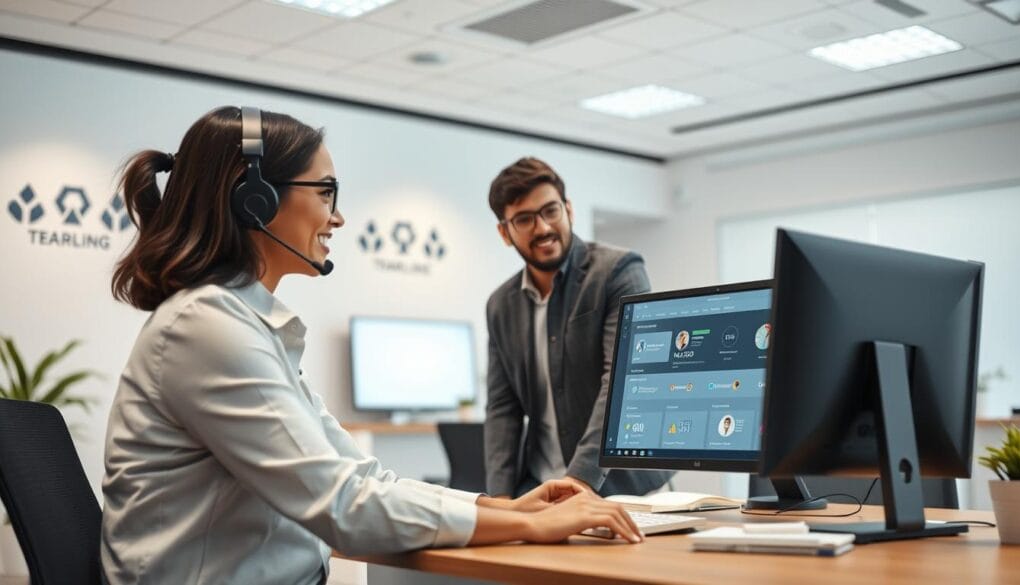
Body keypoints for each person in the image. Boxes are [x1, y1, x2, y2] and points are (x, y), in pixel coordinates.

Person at [101, 108, 642, 585]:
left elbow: (361, 477)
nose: (337, 216)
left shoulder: (241, 324)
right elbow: (343, 504)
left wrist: (499, 506)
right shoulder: (207, 328)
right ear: (254, 199)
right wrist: (526, 523)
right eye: (326, 191)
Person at [484, 157, 673, 498]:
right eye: (524, 219)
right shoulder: (501, 306)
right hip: (541, 491)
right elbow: (502, 409)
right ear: (504, 232)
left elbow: (622, 382)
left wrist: (579, 482)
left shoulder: (618, 272)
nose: (542, 227)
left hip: (625, 491)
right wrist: (500, 500)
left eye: (550, 211)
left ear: (568, 210)